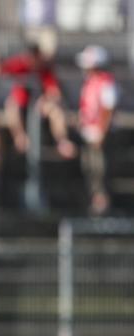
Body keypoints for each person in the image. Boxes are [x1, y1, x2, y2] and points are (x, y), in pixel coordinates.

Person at [0, 44, 75, 159]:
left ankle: (62, 142)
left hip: (40, 106)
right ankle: (20, 138)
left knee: (56, 111)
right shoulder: (19, 64)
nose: (31, 60)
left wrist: (45, 99)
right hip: (21, 103)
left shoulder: (45, 69)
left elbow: (55, 93)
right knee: (11, 105)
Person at [76, 45, 117, 216]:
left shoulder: (106, 82)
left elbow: (108, 108)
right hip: (88, 133)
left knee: (100, 169)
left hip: (99, 134)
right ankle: (93, 199)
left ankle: (102, 202)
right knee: (89, 168)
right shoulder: (90, 82)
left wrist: (101, 131)